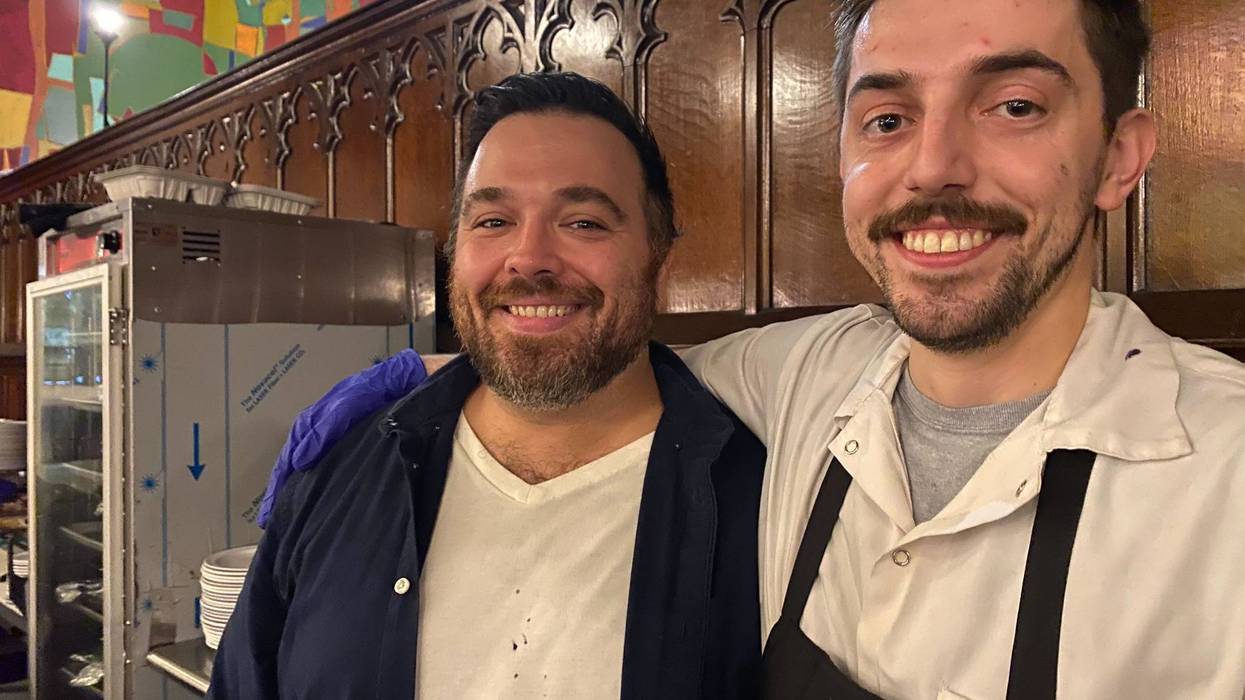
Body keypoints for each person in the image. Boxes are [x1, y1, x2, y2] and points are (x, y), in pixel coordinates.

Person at [259, 0, 1245, 697]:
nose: (936, 166)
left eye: (1015, 105)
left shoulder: (1222, 483)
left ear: (1121, 155)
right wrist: (422, 381)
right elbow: (589, 357)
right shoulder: (806, 381)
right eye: (890, 118)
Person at [206, 72, 766, 700]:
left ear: (660, 255)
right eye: (493, 220)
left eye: (582, 222)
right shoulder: (343, 466)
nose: (528, 259)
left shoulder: (764, 500)